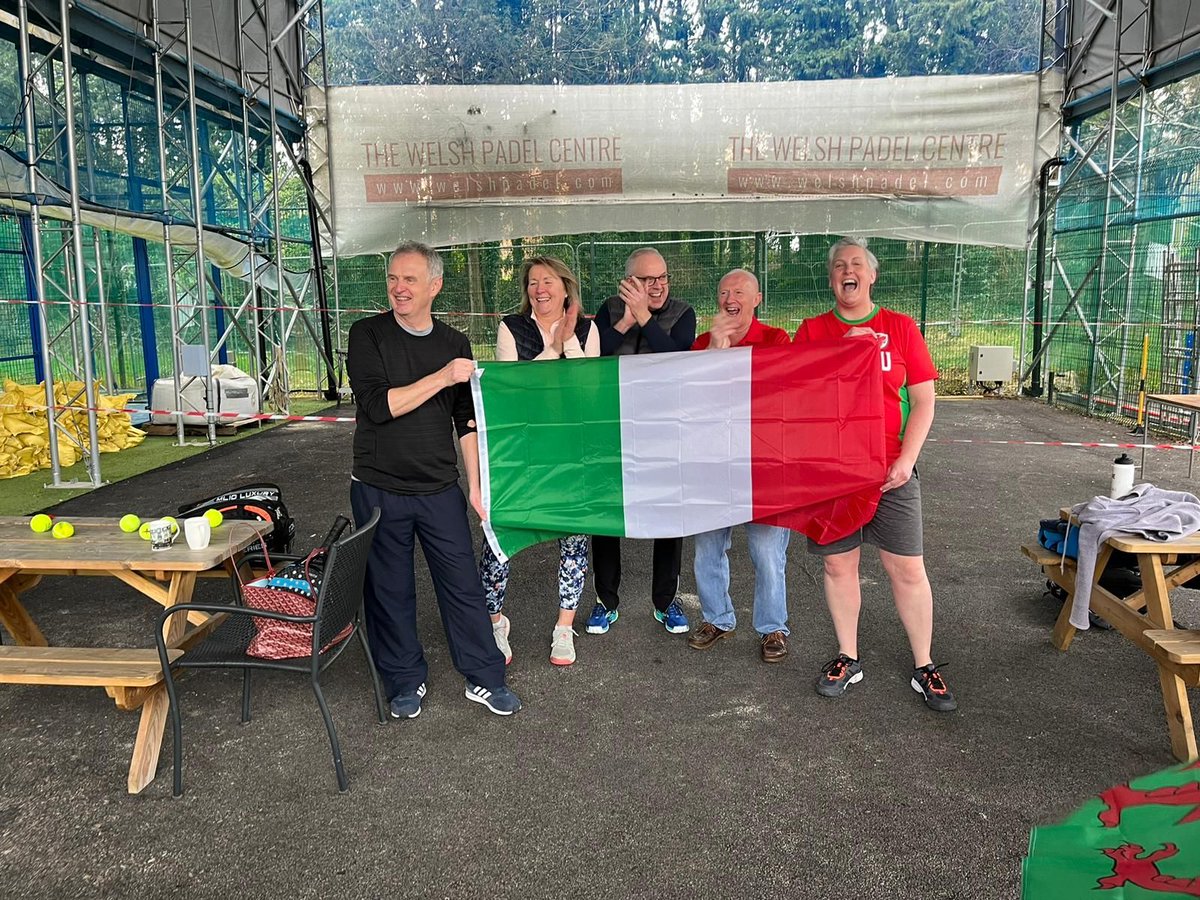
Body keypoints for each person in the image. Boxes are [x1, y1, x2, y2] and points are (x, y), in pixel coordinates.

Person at [347, 241, 521, 719]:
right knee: (389, 589)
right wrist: (443, 377)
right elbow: (380, 406)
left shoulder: (453, 343)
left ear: (435, 286)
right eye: (393, 279)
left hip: (439, 488)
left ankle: (485, 677)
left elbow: (465, 421)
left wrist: (475, 486)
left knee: (463, 585)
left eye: (410, 280)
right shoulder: (368, 335)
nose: (398, 288)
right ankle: (405, 681)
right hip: (378, 488)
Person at [794, 236, 955, 712]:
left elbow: (924, 401)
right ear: (831, 279)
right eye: (839, 265)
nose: (848, 270)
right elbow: (799, 400)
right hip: (834, 473)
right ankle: (848, 656)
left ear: (872, 275)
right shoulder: (813, 331)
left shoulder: (900, 328)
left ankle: (925, 665)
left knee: (905, 568)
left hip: (891, 471)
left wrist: (906, 460)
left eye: (857, 263)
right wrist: (841, 355)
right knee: (838, 563)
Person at [480, 256, 599, 666]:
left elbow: (589, 390)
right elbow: (517, 391)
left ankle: (563, 627)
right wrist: (552, 347)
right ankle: (495, 620)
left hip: (571, 453)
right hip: (524, 454)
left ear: (566, 288)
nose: (539, 288)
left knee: (574, 539)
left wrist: (568, 338)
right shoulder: (510, 328)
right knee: (498, 538)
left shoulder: (588, 327)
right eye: (533, 282)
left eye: (548, 280)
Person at [587, 248, 697, 636]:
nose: (658, 286)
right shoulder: (609, 309)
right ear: (628, 282)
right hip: (613, 425)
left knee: (669, 514)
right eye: (647, 280)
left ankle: (667, 602)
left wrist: (646, 318)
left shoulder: (683, 312)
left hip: (665, 429)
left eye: (662, 277)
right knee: (606, 514)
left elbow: (676, 359)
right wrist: (625, 321)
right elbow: (593, 354)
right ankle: (606, 600)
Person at [686, 269, 793, 663]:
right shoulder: (701, 343)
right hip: (713, 463)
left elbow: (773, 390)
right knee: (707, 548)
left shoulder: (776, 339)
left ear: (757, 299)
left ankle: (773, 627)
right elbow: (696, 398)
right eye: (724, 292)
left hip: (763, 464)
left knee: (767, 550)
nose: (730, 297)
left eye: (740, 291)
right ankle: (717, 618)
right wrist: (716, 345)